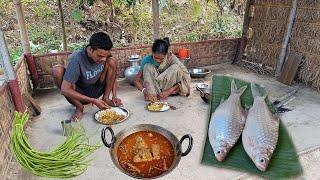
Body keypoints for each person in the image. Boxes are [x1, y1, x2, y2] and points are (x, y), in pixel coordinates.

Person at [52, 32, 122, 121]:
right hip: (79, 94)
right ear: (90, 49)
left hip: (97, 89)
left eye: (105, 56)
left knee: (112, 61)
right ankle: (79, 107)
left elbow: (113, 76)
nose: (103, 59)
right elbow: (65, 90)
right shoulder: (77, 58)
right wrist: (93, 101)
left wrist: (114, 96)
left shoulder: (104, 54)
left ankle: (106, 98)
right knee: (57, 71)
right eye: (100, 56)